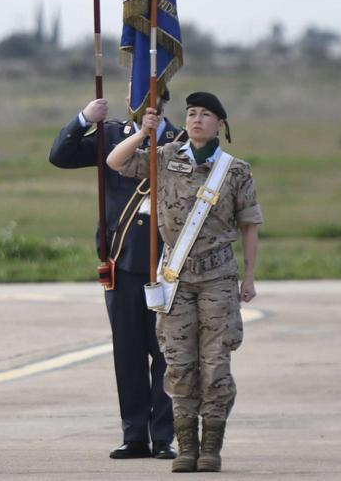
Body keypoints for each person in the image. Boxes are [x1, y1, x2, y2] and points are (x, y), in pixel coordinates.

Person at [107, 92, 262, 473]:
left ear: (220, 125)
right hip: (176, 276)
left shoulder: (235, 170)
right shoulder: (165, 157)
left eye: (205, 115)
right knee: (178, 364)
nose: (196, 120)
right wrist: (145, 133)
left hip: (218, 278)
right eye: (191, 113)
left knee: (215, 365)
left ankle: (210, 447)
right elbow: (115, 161)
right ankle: (186, 447)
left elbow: (249, 226)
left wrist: (250, 277)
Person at [48, 90, 179, 461]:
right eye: (136, 94)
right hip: (121, 259)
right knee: (128, 352)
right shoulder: (112, 134)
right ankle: (134, 435)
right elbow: (60, 156)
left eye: (150, 94)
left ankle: (164, 437)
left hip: (165, 262)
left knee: (165, 352)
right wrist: (84, 119)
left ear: (163, 96)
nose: (142, 101)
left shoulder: (179, 141)